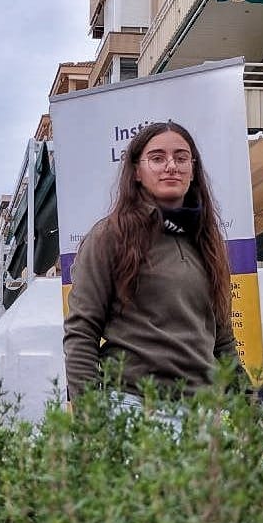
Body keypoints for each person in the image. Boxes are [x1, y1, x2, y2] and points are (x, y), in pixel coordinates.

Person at [63, 120, 244, 401]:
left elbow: (222, 342)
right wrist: (90, 422)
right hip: (134, 408)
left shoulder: (207, 242)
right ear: (137, 171)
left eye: (181, 158)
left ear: (193, 169)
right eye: (157, 158)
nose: (171, 166)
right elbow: (82, 331)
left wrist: (253, 415)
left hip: (203, 413)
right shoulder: (109, 236)